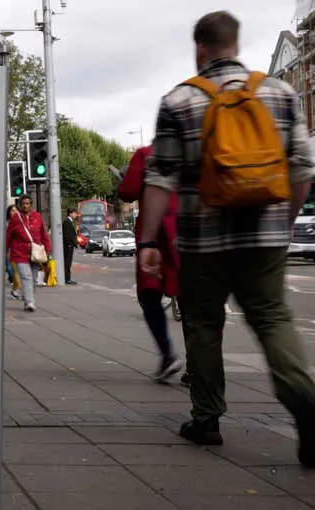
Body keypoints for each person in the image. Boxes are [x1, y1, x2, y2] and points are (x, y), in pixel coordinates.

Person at [138, 10, 315, 467]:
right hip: (265, 235)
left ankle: (207, 418)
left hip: (203, 238)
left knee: (203, 324)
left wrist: (149, 242)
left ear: (200, 48)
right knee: (272, 317)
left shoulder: (179, 100)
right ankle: (305, 405)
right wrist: (285, 221)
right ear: (236, 44)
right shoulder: (279, 93)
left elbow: (160, 178)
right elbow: (302, 169)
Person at [119, 145, 186, 381]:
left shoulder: (146, 154)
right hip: (188, 228)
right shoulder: (199, 148)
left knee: (150, 296)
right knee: (189, 296)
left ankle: (168, 354)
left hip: (154, 231)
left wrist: (125, 180)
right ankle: (197, 365)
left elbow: (128, 191)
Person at [6, 194, 52, 312]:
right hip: (20, 253)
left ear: (31, 205)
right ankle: (29, 302)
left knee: (33, 278)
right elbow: (8, 236)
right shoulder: (15, 219)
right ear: (20, 205)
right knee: (26, 277)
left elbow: (43, 234)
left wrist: (47, 249)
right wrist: (5, 250)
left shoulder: (37, 217)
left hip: (36, 253)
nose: (25, 206)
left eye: (27, 204)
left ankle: (27, 295)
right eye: (23, 204)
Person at [5, 204, 23, 300]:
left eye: (16, 210)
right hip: (9, 249)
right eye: (12, 211)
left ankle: (15, 290)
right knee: (11, 270)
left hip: (20, 249)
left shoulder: (22, 222)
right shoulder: (6, 223)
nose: (14, 212)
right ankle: (16, 287)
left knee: (19, 271)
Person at [62, 208, 79, 285]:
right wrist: (70, 244)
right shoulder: (67, 222)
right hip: (68, 246)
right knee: (67, 263)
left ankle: (67, 278)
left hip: (69, 246)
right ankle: (67, 279)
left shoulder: (70, 222)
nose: (76, 215)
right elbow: (67, 235)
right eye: (74, 213)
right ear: (70, 214)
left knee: (68, 262)